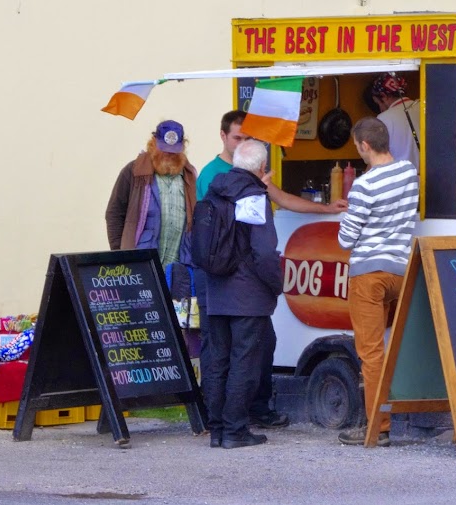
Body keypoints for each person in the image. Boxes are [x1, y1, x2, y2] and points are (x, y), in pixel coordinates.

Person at [195, 110, 348, 431]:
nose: (241, 144)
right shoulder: (219, 178)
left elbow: (283, 199)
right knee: (237, 356)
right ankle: (233, 424)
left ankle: (226, 422)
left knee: (243, 352)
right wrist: (276, 283)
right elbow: (258, 247)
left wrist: (326, 208)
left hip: (222, 285)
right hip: (236, 286)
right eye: (238, 138)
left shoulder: (240, 182)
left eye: (247, 139)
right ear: (223, 137)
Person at [336, 117, 419, 447]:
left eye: (357, 145)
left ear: (365, 146)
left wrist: (347, 216)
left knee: (371, 354)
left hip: (369, 275)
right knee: (396, 346)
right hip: (401, 271)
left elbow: (346, 239)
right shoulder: (409, 172)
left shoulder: (364, 185)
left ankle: (378, 427)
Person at [204, 139, 284, 449]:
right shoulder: (253, 196)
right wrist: (276, 284)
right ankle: (235, 431)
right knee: (244, 363)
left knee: (217, 361)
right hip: (247, 296)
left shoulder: (215, 191)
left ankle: (217, 430)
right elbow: (263, 252)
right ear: (262, 167)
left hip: (216, 290)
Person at [105, 120, 197, 266]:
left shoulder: (190, 177)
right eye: (164, 149)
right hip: (139, 265)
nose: (169, 155)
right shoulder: (133, 171)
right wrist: (119, 255)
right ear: (153, 143)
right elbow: (114, 214)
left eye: (174, 151)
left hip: (176, 268)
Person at [369, 72, 421, 172]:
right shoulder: (422, 108)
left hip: (400, 179)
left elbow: (376, 159)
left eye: (378, 103)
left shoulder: (383, 119)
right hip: (427, 177)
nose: (380, 108)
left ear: (384, 96)